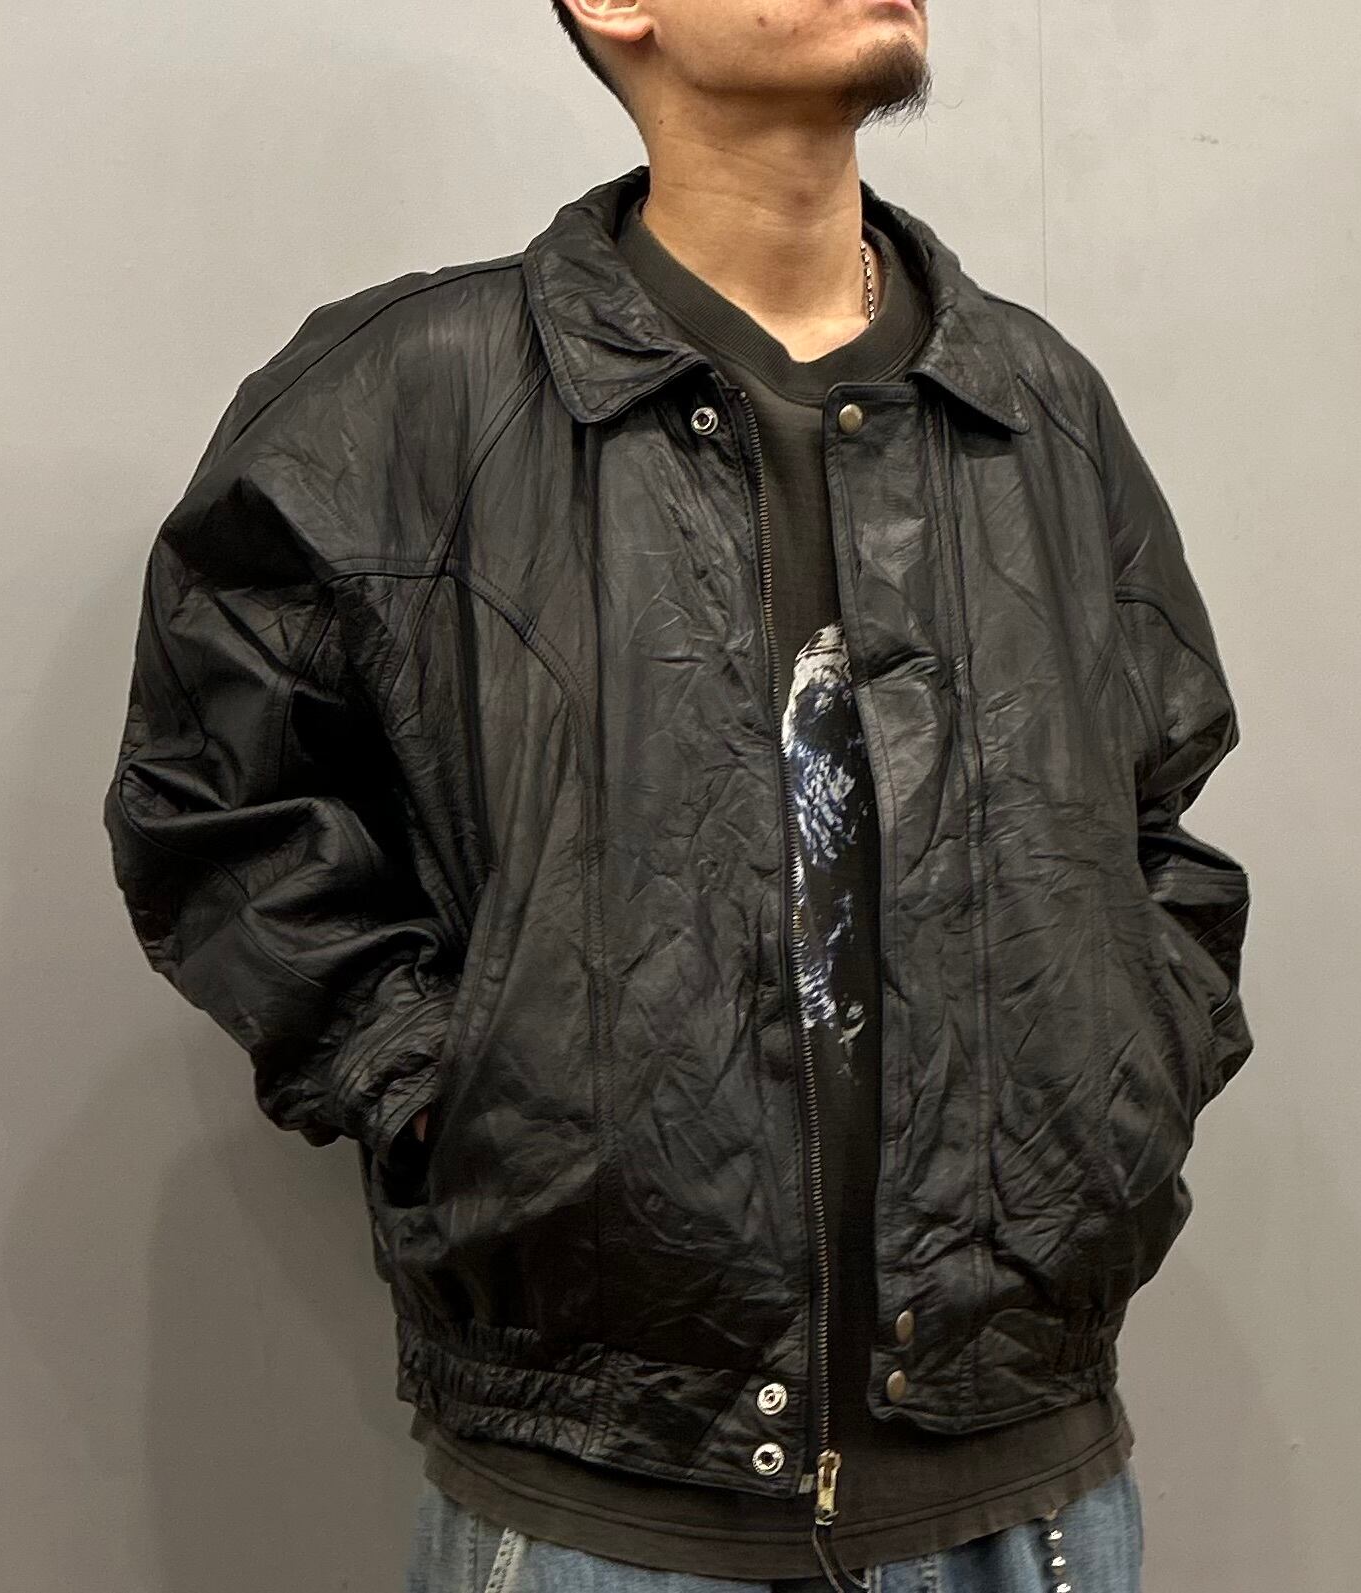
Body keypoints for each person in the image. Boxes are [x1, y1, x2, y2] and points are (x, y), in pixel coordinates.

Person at [101, 0, 1255, 1588]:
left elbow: (1155, 820)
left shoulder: (1033, 404)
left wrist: (1123, 1070)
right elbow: (213, 805)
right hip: (605, 1503)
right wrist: (450, 1086)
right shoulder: (413, 396)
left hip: (1025, 1491)